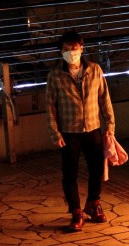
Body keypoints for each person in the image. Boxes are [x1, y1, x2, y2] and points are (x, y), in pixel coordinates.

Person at [46, 30, 116, 231]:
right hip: (69, 132)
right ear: (61, 51)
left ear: (82, 48)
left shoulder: (94, 70)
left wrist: (110, 126)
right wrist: (55, 133)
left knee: (96, 169)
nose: (72, 53)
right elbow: (50, 107)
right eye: (67, 49)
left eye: (75, 49)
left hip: (93, 128)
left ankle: (93, 203)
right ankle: (76, 211)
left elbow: (105, 99)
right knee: (70, 172)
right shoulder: (55, 76)